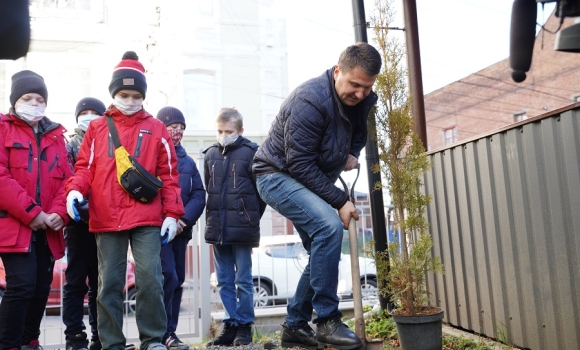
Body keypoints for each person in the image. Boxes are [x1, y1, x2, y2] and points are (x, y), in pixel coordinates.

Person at [252, 42, 381, 350]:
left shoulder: (361, 100)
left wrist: (351, 152)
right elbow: (298, 164)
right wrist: (339, 200)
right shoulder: (310, 99)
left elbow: (359, 133)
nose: (360, 94)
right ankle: (326, 320)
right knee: (328, 228)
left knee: (323, 249)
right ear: (338, 72)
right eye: (354, 85)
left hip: (310, 178)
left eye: (367, 87)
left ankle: (295, 325)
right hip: (276, 174)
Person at [64, 51, 184, 350]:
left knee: (150, 279)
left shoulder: (157, 128)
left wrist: (173, 213)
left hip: (146, 215)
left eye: (135, 95)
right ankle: (112, 343)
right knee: (109, 285)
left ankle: (153, 339)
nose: (129, 100)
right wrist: (75, 190)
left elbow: (169, 175)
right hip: (106, 216)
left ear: (143, 95)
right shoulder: (97, 128)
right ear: (114, 93)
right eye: (123, 94)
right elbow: (85, 168)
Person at [0, 70, 73, 350]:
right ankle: (8, 344)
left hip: (48, 230)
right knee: (21, 286)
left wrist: (59, 213)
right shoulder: (3, 128)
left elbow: (68, 181)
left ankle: (30, 340)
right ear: (15, 100)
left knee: (42, 288)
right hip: (15, 226)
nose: (34, 103)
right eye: (27, 97)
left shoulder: (55, 135)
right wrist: (33, 213)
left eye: (39, 98)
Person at [204, 107, 266, 347]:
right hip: (218, 229)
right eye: (220, 131)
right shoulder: (210, 154)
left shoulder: (252, 152)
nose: (223, 135)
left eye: (228, 131)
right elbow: (211, 189)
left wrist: (248, 218)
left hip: (243, 228)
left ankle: (244, 325)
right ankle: (230, 324)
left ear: (240, 130)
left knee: (243, 280)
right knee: (224, 280)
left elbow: (261, 193)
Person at [155, 107, 206, 350]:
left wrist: (182, 220)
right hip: (157, 232)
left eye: (181, 128)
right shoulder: (151, 156)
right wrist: (166, 220)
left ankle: (170, 333)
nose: (177, 132)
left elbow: (198, 194)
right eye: (173, 127)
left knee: (177, 280)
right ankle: (159, 332)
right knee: (167, 276)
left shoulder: (187, 161)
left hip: (180, 231)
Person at [62, 97, 106, 350]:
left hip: (103, 222)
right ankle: (75, 337)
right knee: (75, 280)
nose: (88, 116)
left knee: (100, 283)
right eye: (84, 112)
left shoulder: (107, 143)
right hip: (78, 223)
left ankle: (101, 337)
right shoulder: (70, 145)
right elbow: (69, 180)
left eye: (94, 113)